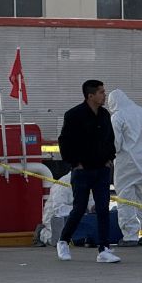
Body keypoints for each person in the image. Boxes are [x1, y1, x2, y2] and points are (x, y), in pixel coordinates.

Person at [56, 79, 121, 263]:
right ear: (90, 96)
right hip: (82, 170)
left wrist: (109, 159)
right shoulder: (74, 115)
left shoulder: (104, 115)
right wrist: (75, 163)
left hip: (101, 170)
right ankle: (63, 241)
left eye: (104, 91)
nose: (104, 95)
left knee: (102, 209)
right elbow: (64, 141)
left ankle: (104, 249)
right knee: (79, 208)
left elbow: (110, 139)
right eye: (101, 92)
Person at [107, 89, 142, 247]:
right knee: (139, 199)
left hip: (126, 164)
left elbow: (116, 144)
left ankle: (130, 235)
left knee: (125, 199)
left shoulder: (118, 116)